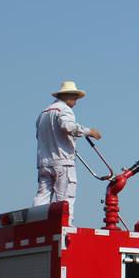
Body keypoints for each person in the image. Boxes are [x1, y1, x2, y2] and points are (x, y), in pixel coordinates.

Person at [34, 81, 102, 224]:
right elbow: (67, 126)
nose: (76, 102)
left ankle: (36, 224)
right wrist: (88, 132)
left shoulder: (43, 113)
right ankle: (64, 226)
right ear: (69, 96)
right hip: (62, 161)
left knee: (42, 197)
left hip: (44, 162)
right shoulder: (64, 109)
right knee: (65, 198)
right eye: (75, 98)